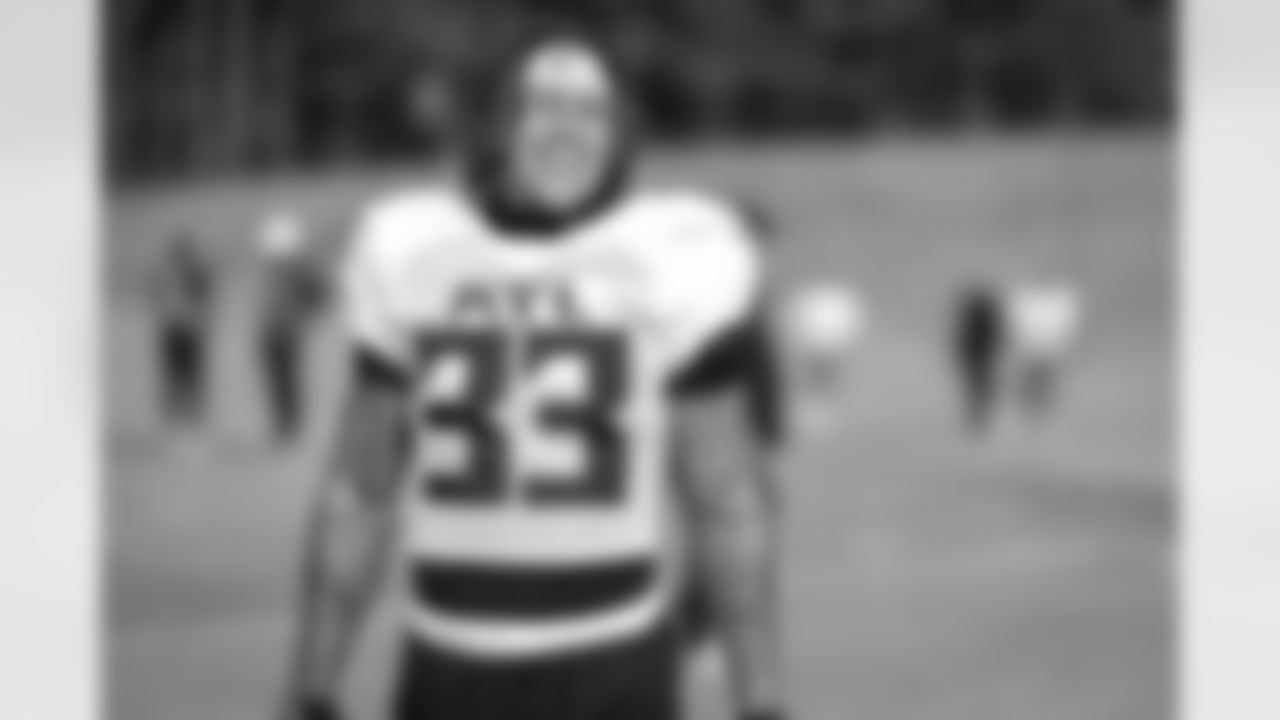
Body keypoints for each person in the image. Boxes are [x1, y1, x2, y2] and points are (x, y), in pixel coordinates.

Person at [278, 32, 789, 720]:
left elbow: (728, 500)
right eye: (543, 104)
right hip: (447, 664)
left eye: (590, 110)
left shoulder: (674, 254)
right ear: (496, 123)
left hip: (613, 662)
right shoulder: (412, 248)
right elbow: (359, 494)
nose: (566, 128)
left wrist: (760, 700)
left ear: (621, 136)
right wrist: (313, 690)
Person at [257, 211, 327, 444]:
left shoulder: (298, 270)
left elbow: (321, 295)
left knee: (285, 380)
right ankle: (283, 425)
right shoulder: (275, 270)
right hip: (272, 330)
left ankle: (289, 426)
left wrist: (307, 312)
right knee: (278, 380)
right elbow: (320, 297)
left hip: (284, 331)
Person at [148, 233, 215, 428]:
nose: (180, 257)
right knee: (172, 370)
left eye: (183, 253)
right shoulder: (164, 274)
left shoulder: (197, 273)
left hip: (190, 328)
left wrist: (203, 319)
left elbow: (206, 298)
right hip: (171, 327)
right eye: (177, 253)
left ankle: (193, 409)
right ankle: (174, 409)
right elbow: (153, 295)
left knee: (192, 371)